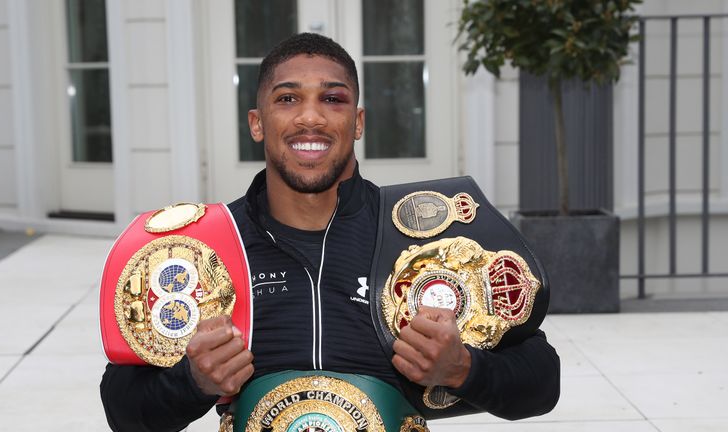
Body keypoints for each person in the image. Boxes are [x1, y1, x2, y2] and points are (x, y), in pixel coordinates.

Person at [100, 32, 560, 432]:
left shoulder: (418, 239)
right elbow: (123, 408)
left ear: (357, 122)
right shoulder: (209, 248)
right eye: (287, 98)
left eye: (332, 99)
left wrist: (464, 369)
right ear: (257, 123)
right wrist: (191, 382)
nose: (311, 118)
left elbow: (542, 383)